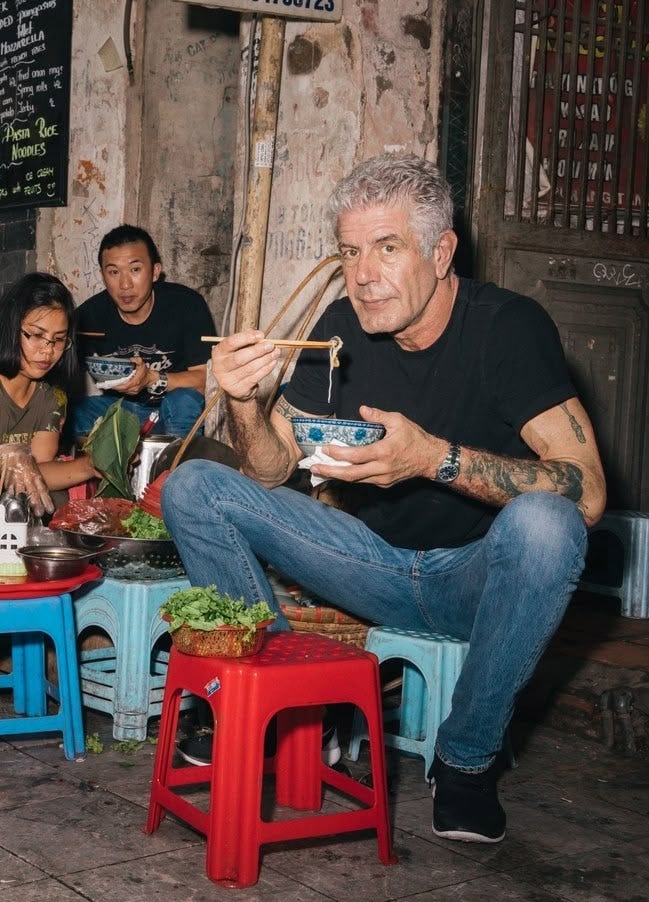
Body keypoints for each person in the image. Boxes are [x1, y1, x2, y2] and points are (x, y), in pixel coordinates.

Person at [161, 154, 606, 844]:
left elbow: (588, 492)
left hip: (474, 576)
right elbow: (270, 472)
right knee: (193, 486)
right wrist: (245, 403)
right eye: (349, 252)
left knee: (548, 524)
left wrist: (433, 459)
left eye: (387, 248)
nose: (363, 275)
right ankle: (291, 704)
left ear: (441, 251)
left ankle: (465, 762)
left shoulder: (506, 327)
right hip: (366, 562)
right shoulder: (340, 325)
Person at [69, 225, 216, 438]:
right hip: (119, 409)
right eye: (114, 272)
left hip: (172, 408)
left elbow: (205, 379)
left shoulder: (186, 305)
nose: (125, 284)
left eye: (135, 270)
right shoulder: (89, 315)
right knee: (70, 414)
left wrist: (151, 378)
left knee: (185, 401)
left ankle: (178, 459)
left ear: (155, 271)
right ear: (103, 275)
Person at [0, 273, 99, 500]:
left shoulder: (52, 398)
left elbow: (39, 471)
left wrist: (92, 465)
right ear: (10, 329)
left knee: (58, 498)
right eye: (36, 335)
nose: (48, 350)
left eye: (59, 339)